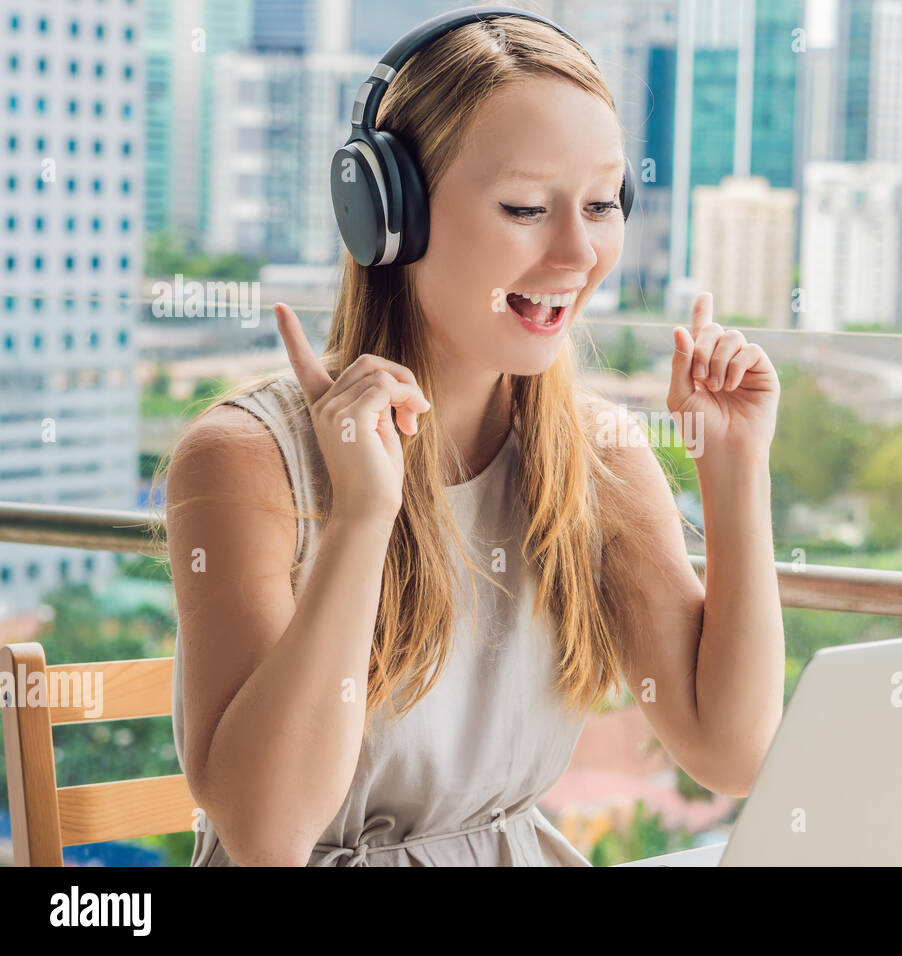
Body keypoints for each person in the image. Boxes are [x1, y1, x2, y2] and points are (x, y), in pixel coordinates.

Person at [159, 11, 785, 867]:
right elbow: (268, 835)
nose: (579, 252)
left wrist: (736, 472)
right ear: (389, 216)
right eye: (526, 207)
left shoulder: (595, 454)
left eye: (602, 205)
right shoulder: (244, 462)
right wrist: (364, 515)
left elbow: (732, 751)